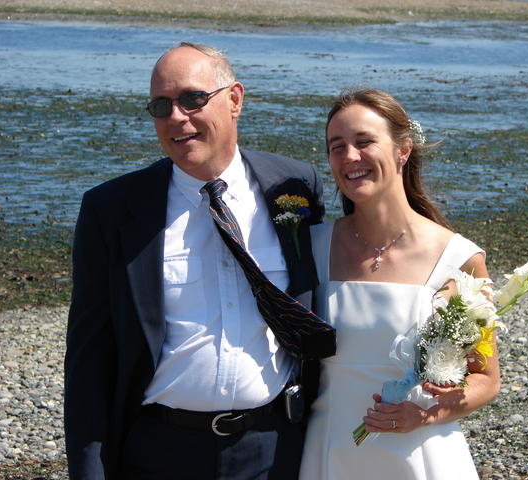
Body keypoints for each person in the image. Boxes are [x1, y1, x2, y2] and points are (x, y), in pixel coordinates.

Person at [64, 42, 333, 479]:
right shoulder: (112, 210)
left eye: (192, 99)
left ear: (235, 99)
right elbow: (88, 363)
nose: (176, 118)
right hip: (159, 452)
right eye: (160, 105)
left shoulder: (296, 187)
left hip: (276, 449)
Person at [299, 88, 501, 479]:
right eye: (336, 146)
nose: (350, 157)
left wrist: (425, 415)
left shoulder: (459, 261)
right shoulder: (311, 247)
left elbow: (486, 379)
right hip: (329, 450)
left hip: (420, 455)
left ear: (402, 150)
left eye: (364, 142)